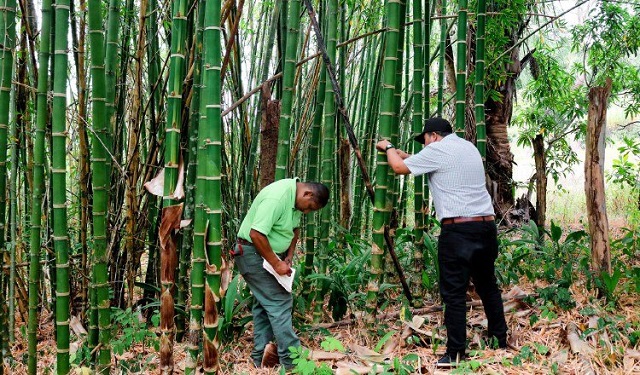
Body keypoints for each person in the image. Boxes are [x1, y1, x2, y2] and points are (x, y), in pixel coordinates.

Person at [376, 117, 508, 367]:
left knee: (454, 293)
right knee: (487, 285)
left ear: (434, 136)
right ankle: (499, 339)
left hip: (458, 231)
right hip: (486, 226)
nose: (424, 146)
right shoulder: (468, 147)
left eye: (424, 140)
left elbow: (398, 168)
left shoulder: (437, 150)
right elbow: (416, 161)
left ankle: (455, 353)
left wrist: (388, 147)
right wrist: (404, 154)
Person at [232, 178, 329, 369]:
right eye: (309, 207)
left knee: (264, 305)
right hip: (252, 253)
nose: (307, 212)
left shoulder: (295, 201)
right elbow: (256, 234)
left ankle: (260, 357)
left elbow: (294, 229)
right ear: (307, 194)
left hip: (266, 255)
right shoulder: (278, 197)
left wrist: (289, 256)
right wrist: (276, 263)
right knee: (280, 302)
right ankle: (292, 363)